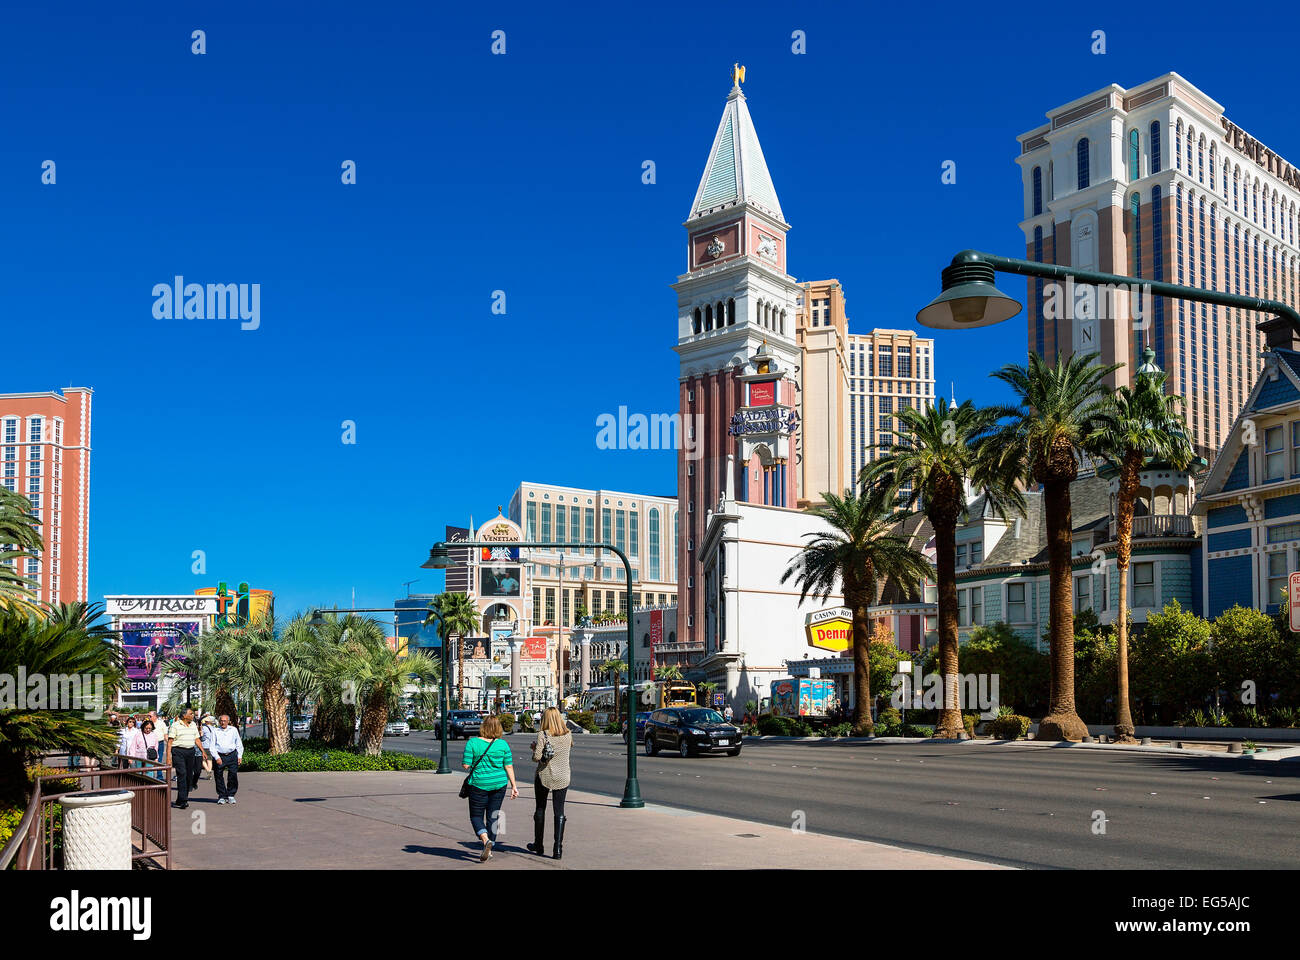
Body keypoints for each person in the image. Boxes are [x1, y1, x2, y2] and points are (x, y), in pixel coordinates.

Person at [461, 714, 517, 862]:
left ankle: (486, 841)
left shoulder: (472, 743)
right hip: (499, 784)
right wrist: (514, 786)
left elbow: (466, 765)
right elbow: (508, 765)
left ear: (483, 727)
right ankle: (490, 847)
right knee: (493, 816)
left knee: (476, 816)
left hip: (478, 784)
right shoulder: (503, 744)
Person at [527, 706, 572, 859]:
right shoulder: (568, 735)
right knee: (559, 811)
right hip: (563, 776)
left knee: (540, 809)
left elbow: (537, 757)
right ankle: (557, 849)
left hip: (544, 776)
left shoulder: (543, 734)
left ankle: (538, 845)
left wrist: (534, 748)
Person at [166, 707, 207, 809]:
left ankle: (181, 799)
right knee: (182, 774)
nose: (193, 715)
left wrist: (203, 751)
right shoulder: (175, 725)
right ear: (184, 716)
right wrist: (168, 758)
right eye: (191, 714)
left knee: (189, 775)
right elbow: (170, 742)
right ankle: (183, 800)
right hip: (178, 751)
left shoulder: (193, 725)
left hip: (190, 752)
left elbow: (197, 739)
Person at [210, 714, 244, 804]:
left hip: (232, 755)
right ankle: (222, 796)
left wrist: (239, 756)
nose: (223, 722)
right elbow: (212, 746)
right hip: (220, 756)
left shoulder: (233, 730)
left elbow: (239, 743)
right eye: (221, 721)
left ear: (228, 721)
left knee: (233, 775)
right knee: (218, 776)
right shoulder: (215, 731)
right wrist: (217, 757)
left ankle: (231, 795)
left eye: (225, 721)